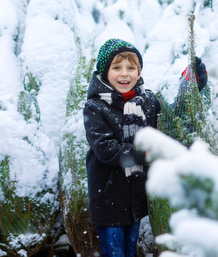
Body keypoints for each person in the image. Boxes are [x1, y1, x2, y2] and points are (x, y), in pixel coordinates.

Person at [83, 38, 207, 257]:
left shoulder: (147, 100)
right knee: (114, 253)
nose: (124, 74)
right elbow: (106, 149)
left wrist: (192, 82)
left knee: (130, 250)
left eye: (131, 67)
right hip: (109, 197)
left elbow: (173, 114)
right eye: (117, 67)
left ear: (139, 72)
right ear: (104, 72)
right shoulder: (96, 107)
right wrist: (146, 153)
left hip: (136, 198)